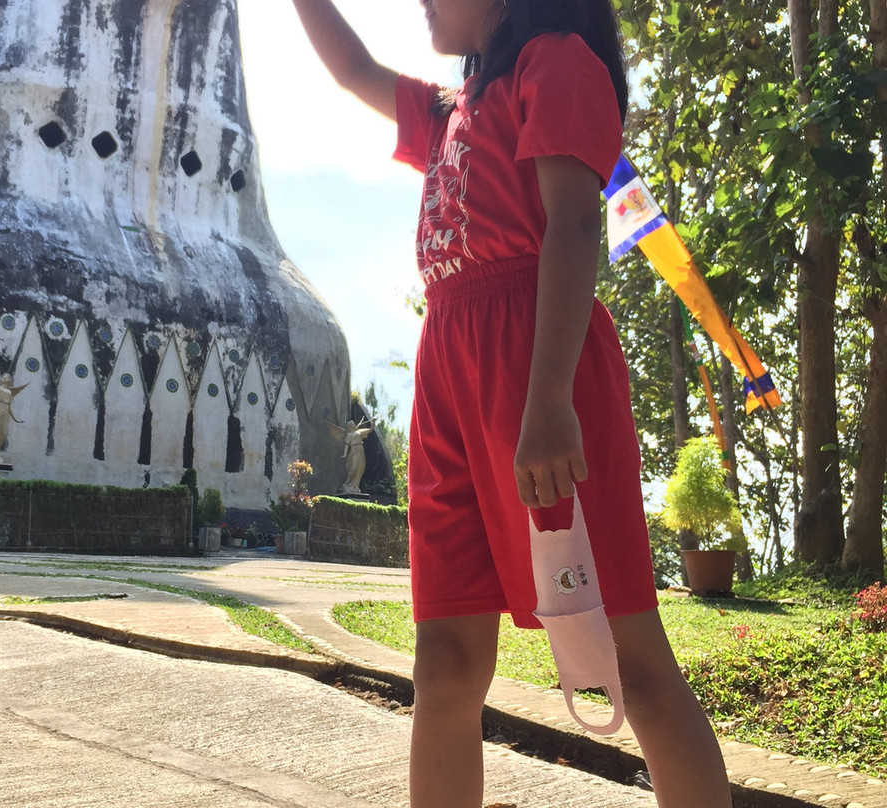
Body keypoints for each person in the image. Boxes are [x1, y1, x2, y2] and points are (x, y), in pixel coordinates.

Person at [287, 1, 733, 807]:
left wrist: (549, 401)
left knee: (630, 664)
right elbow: (353, 69)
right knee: (444, 663)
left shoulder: (555, 63)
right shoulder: (447, 113)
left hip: (544, 381)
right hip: (449, 387)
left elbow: (572, 227)